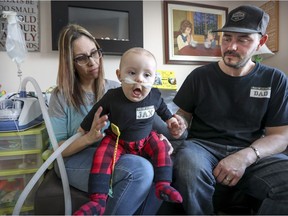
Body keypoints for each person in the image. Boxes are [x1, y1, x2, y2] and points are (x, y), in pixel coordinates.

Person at [170, 5, 288, 214]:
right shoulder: (199, 76)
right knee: (188, 166)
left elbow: (280, 136)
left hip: (252, 151)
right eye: (227, 38)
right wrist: (180, 123)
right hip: (202, 148)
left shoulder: (275, 79)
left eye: (243, 40)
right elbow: (183, 116)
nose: (231, 46)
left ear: (261, 42)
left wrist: (245, 156)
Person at [48, 24, 165, 215]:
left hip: (115, 154)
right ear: (70, 63)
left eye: (94, 53)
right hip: (72, 159)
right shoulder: (61, 96)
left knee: (162, 166)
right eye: (81, 58)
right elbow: (56, 150)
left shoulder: (117, 89)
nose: (92, 62)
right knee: (141, 169)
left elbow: (147, 119)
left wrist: (162, 138)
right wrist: (88, 138)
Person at [74, 47, 183, 215]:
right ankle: (98, 200)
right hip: (118, 139)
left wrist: (171, 120)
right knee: (102, 155)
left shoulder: (154, 95)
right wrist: (83, 129)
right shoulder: (112, 96)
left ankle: (163, 185)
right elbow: (96, 112)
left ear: (154, 79)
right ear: (119, 75)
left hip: (145, 139)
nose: (139, 79)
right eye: (132, 73)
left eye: (147, 75)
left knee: (161, 147)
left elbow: (162, 108)